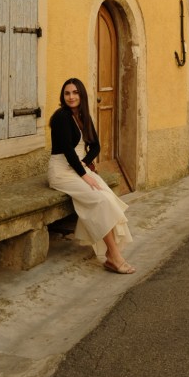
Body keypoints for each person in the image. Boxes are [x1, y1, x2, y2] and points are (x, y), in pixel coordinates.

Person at [48, 77, 135, 274]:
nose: (71, 97)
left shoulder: (83, 116)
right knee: (99, 200)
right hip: (62, 172)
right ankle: (113, 256)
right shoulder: (61, 117)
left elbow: (96, 146)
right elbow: (68, 151)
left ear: (81, 95)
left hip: (78, 168)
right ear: (63, 96)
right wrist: (84, 175)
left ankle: (112, 256)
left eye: (75, 93)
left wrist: (85, 163)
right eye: (67, 93)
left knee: (108, 198)